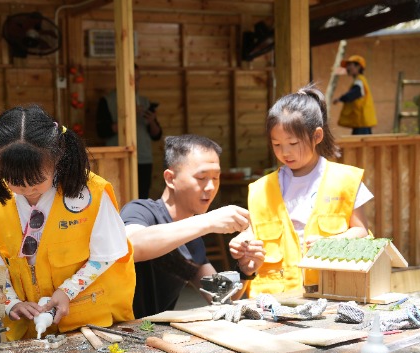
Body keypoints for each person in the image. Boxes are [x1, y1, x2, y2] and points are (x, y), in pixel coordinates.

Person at [0, 104, 135, 341]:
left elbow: (108, 254)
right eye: (14, 181)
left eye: (37, 179)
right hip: (27, 330)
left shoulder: (92, 193)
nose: (27, 189)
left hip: (92, 324)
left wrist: (68, 291)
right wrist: (10, 303)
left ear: (58, 158)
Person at [230, 84, 373, 297]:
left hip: (333, 294)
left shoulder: (346, 180)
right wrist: (243, 243)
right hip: (273, 301)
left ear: (317, 136)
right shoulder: (261, 189)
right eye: (276, 144)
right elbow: (254, 233)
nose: (284, 152)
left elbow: (361, 232)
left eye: (293, 143)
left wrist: (330, 244)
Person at [120, 135, 252, 318]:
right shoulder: (141, 211)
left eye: (216, 177)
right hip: (116, 331)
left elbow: (220, 297)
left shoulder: (193, 238)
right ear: (170, 178)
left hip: (149, 334)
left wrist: (244, 270)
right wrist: (208, 221)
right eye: (201, 177)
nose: (211, 187)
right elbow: (130, 245)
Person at [96, 65, 162, 199]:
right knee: (117, 199)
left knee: (142, 198)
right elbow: (102, 131)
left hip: (143, 159)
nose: (136, 83)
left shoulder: (144, 101)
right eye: (133, 79)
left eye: (138, 79)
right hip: (117, 159)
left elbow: (157, 135)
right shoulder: (107, 101)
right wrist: (129, 115)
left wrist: (152, 121)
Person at [332, 55, 376, 135]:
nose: (347, 68)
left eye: (350, 65)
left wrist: (340, 99)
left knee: (361, 145)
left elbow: (353, 94)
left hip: (362, 122)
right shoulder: (360, 80)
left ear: (358, 66)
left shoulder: (359, 81)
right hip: (361, 121)